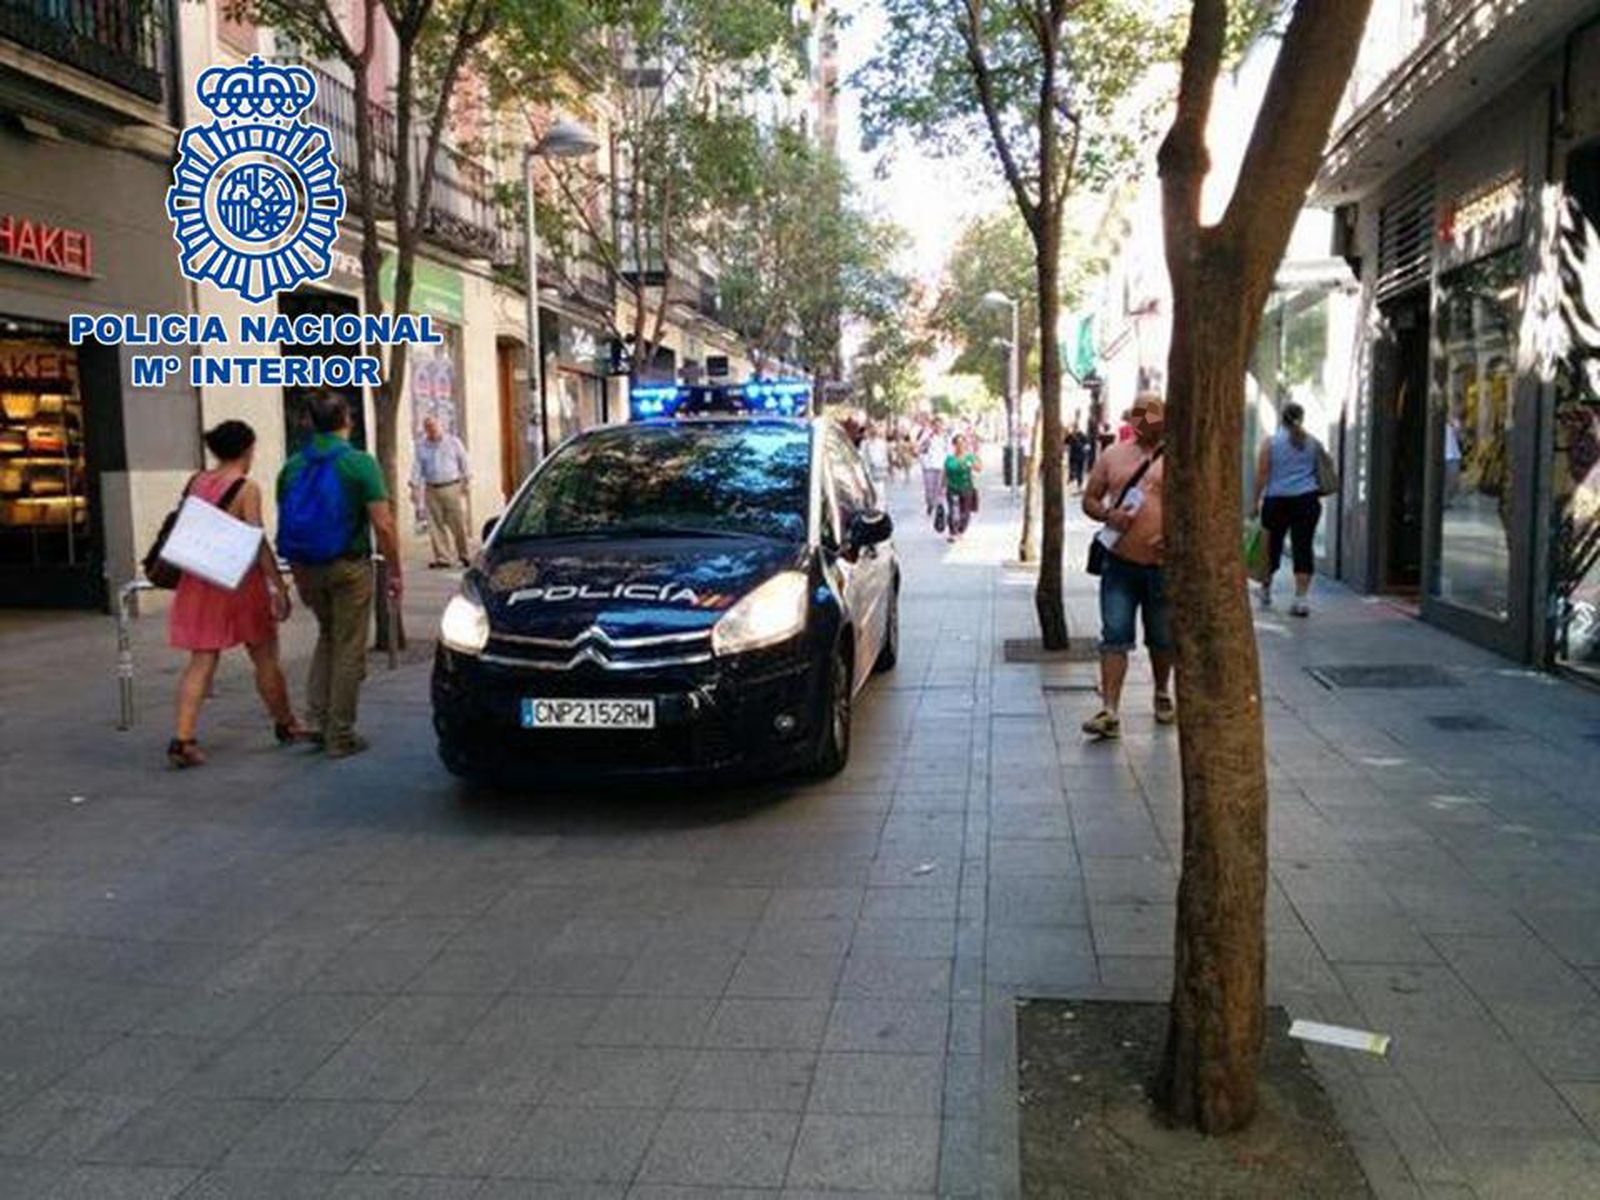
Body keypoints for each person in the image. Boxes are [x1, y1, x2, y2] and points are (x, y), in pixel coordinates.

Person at [166, 421, 306, 768]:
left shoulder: (196, 481)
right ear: (247, 450)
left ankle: (182, 739)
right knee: (265, 658)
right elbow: (255, 540)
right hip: (239, 583)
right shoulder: (247, 488)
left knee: (201, 661)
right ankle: (286, 722)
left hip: (198, 580)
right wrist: (278, 584)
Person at [277, 392, 403, 759]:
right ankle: (340, 734)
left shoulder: (292, 466)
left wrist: (294, 576)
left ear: (310, 423)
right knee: (350, 647)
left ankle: (316, 720)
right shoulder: (359, 464)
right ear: (347, 420)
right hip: (349, 567)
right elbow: (384, 524)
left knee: (328, 635)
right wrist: (394, 570)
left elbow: (288, 522)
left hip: (306, 567)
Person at [1080, 393, 1173, 739]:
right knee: (1114, 635)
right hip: (1119, 563)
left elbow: (1193, 506)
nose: (1145, 422)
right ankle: (1110, 710)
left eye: (1152, 416)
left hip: (1163, 564)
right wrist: (1108, 514)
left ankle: (1162, 691)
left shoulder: (1179, 457)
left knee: (1163, 637)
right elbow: (1090, 499)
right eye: (1140, 416)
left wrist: (1175, 537)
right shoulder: (1113, 455)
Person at [1252, 401, 1324, 617]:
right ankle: (1300, 600)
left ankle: (1265, 591)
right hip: (1307, 500)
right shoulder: (1313, 443)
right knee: (1303, 547)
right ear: (1302, 418)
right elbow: (1320, 471)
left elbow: (1262, 474)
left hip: (1277, 501)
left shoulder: (1271, 443)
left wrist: (1254, 502)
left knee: (1270, 548)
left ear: (1281, 418)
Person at [410, 415, 473, 569]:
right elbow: (417, 468)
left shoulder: (453, 442)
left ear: (441, 426)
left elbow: (464, 461)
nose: (431, 429)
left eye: (433, 426)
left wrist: (466, 481)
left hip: (451, 486)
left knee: (457, 523)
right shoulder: (422, 446)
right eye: (428, 427)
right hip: (431, 488)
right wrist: (414, 488)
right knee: (435, 524)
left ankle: (464, 554)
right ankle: (443, 557)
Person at [944, 432, 981, 542]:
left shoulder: (969, 457)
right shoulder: (949, 458)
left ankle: (961, 530)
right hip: (952, 488)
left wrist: (973, 463)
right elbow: (944, 473)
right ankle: (952, 532)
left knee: (965, 512)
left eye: (962, 443)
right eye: (957, 443)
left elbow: (979, 468)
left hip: (966, 488)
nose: (960, 446)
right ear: (954, 445)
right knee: (952, 511)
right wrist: (941, 488)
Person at [918, 417, 951, 518]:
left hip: (942, 466)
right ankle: (930, 503)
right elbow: (920, 448)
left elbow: (949, 452)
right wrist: (923, 459)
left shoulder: (946, 438)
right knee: (929, 489)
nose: (938, 427)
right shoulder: (927, 436)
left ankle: (939, 506)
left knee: (941, 488)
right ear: (933, 426)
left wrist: (949, 465)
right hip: (929, 466)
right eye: (935, 425)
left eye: (940, 425)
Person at [1065, 417, 1089, 491]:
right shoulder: (1082, 435)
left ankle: (1075, 481)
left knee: (1075, 470)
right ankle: (1079, 484)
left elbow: (1065, 444)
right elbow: (1087, 446)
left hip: (1074, 456)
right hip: (1080, 456)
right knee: (1079, 471)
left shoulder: (1071, 435)